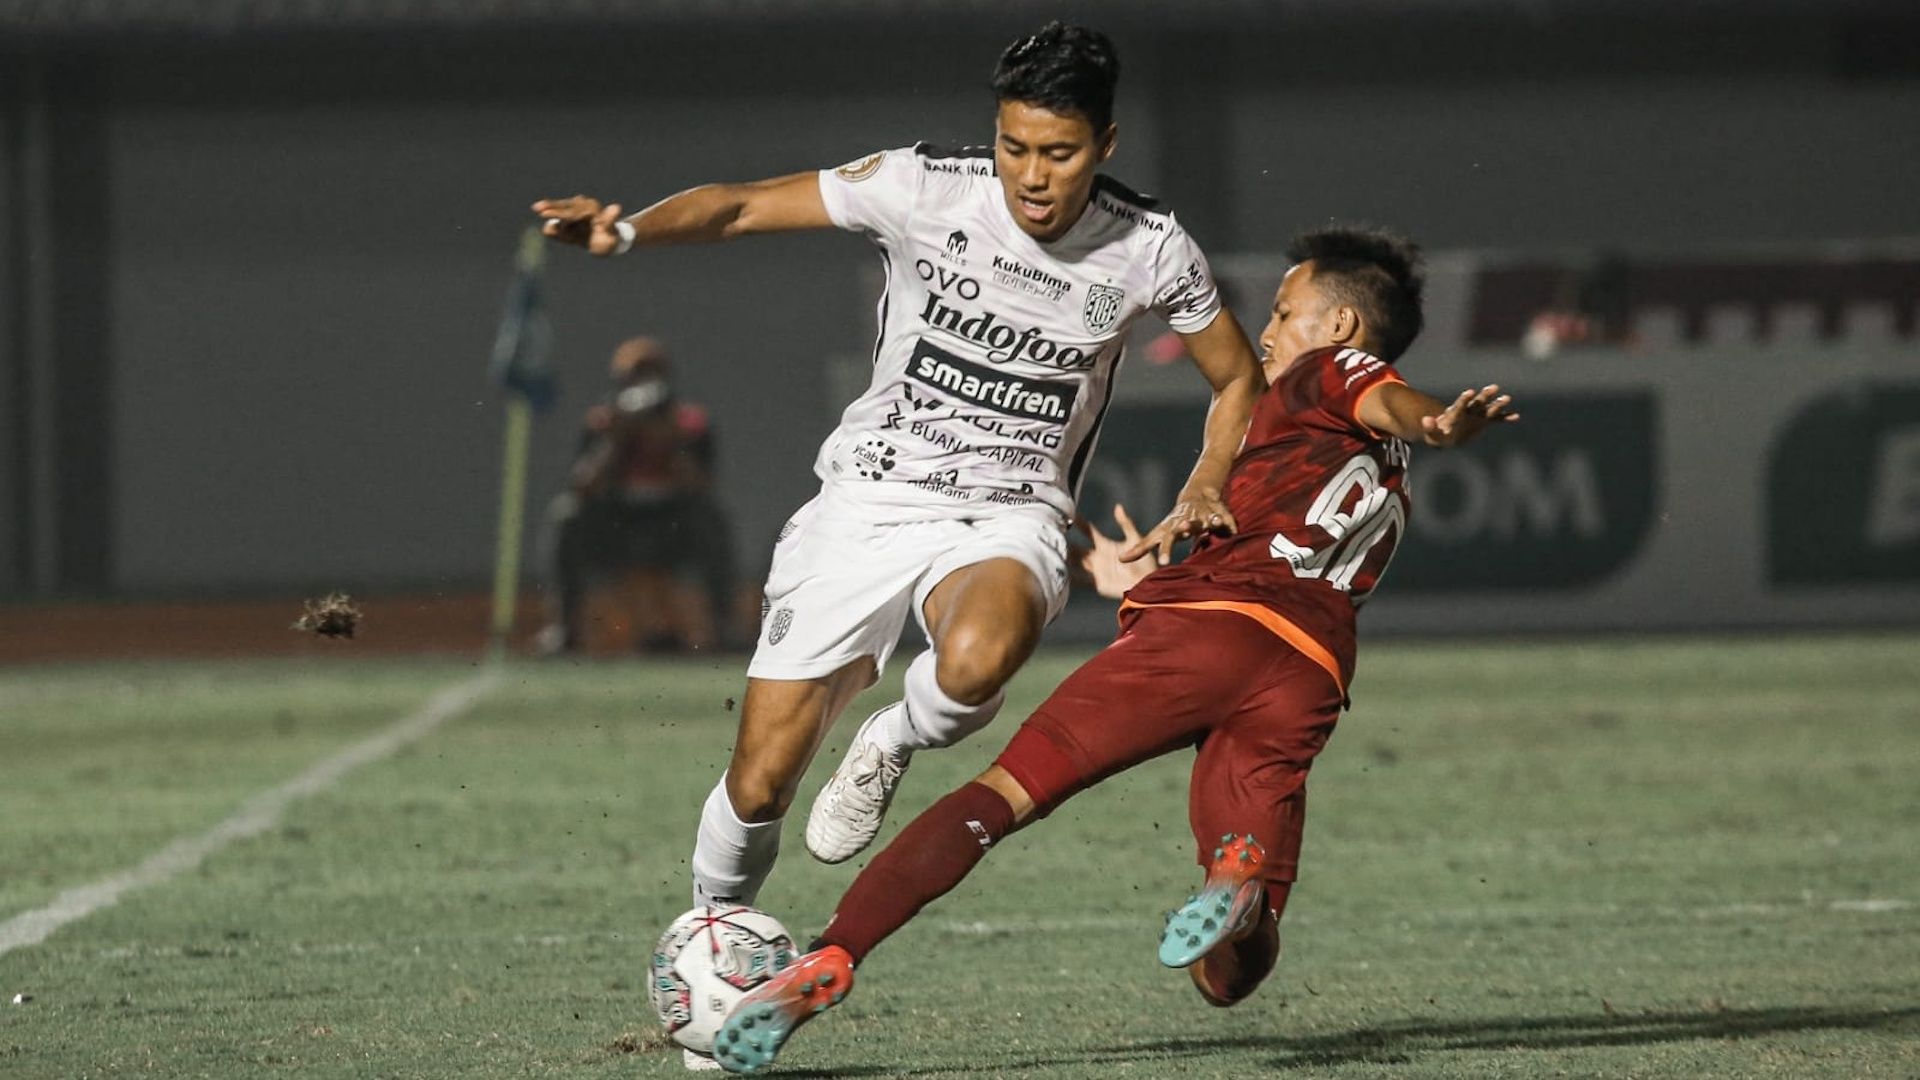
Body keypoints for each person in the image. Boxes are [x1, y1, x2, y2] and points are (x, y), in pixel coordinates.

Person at [704, 226, 1521, 1075]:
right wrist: (1142, 570)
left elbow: (1395, 401)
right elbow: (1302, 523)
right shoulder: (1369, 461)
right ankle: (1236, 885)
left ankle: (830, 956)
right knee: (1225, 977)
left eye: (1285, 310)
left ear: (1343, 327)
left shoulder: (1330, 375)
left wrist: (1442, 423)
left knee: (1000, 800)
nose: (1268, 331)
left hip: (1206, 638)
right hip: (1304, 680)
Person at [534, 20, 1262, 930]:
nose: (1032, 175)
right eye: (1015, 147)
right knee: (760, 781)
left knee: (975, 661)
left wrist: (1207, 478)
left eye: (1060, 154)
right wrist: (628, 232)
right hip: (867, 504)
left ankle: (893, 735)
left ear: (1104, 145)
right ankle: (711, 942)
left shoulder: (1151, 247)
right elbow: (746, 206)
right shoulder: (923, 185)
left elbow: (1237, 376)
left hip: (1010, 514)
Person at [536, 336, 742, 654]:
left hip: (673, 522)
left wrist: (671, 443)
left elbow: (702, 485)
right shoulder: (603, 421)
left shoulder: (690, 422)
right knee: (567, 516)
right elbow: (582, 486)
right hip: (617, 522)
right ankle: (564, 628)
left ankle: (724, 626)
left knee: (712, 520)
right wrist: (616, 441)